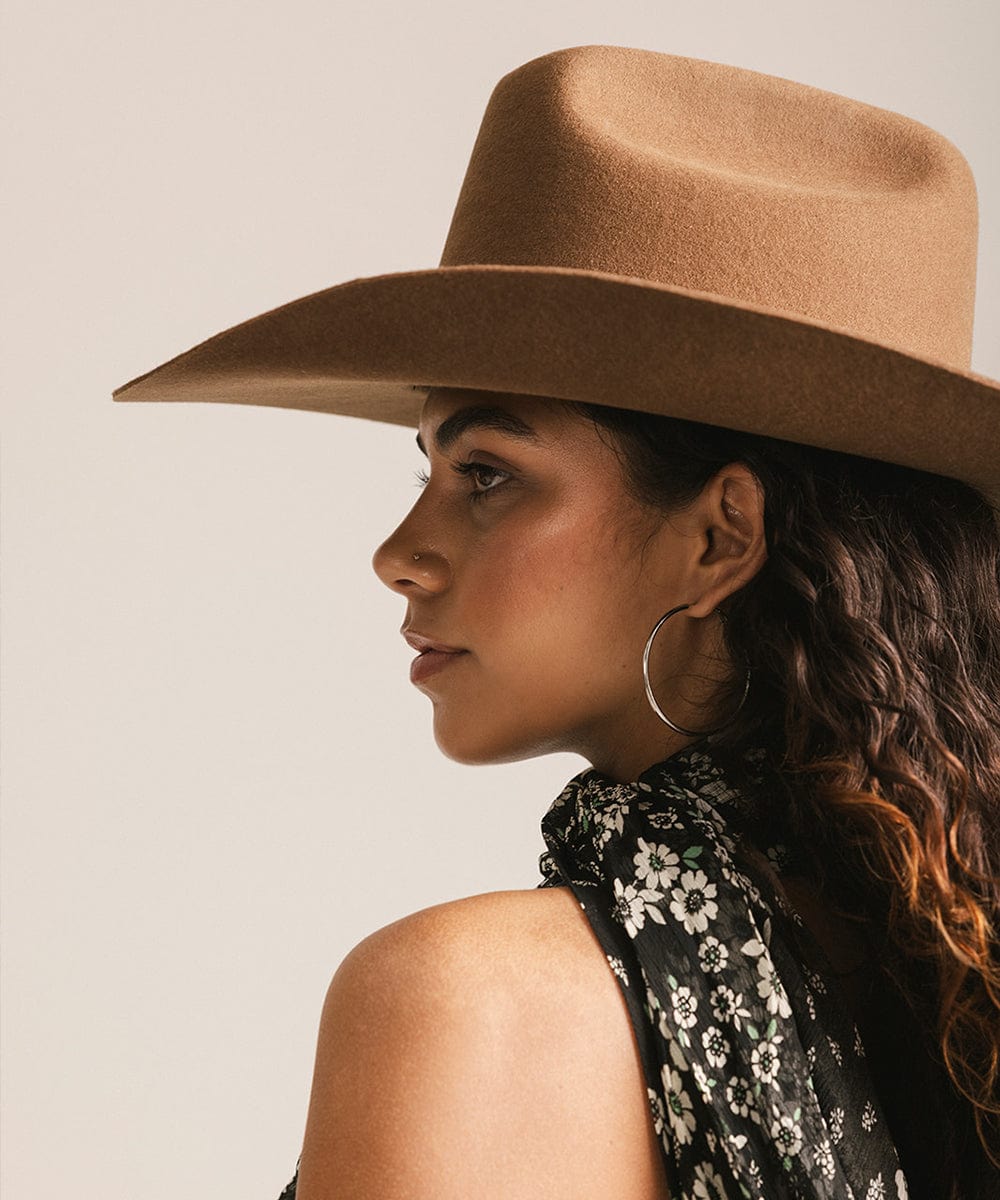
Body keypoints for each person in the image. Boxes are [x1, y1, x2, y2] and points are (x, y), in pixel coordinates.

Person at [113, 44, 1000, 1200]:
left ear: (718, 538)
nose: (397, 555)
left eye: (485, 474)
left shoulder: (467, 1007)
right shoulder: (951, 972)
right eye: (427, 469)